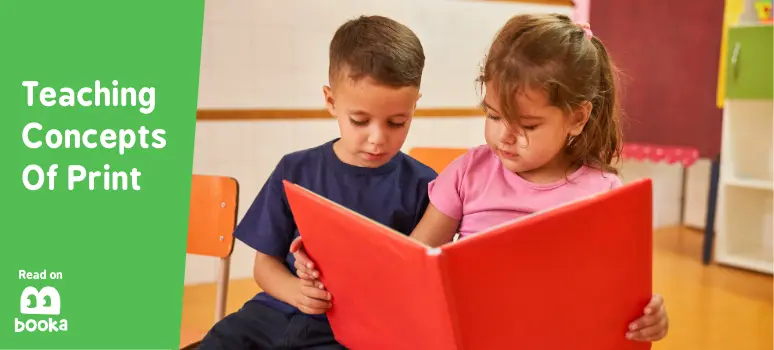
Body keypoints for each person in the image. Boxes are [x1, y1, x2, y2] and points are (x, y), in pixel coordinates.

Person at [292, 14, 669, 343]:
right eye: (493, 115)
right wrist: (328, 255)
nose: (504, 136)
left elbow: (620, 297)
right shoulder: (469, 173)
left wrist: (651, 317)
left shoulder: (602, 194)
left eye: (527, 125)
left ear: (576, 118)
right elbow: (413, 259)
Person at [196, 15, 437, 350]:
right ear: (330, 101)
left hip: (354, 330)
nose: (377, 139)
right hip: (274, 312)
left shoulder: (425, 186)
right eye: (359, 120)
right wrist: (295, 290)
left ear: (414, 106)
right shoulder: (294, 169)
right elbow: (264, 266)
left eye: (397, 121)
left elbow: (422, 285)